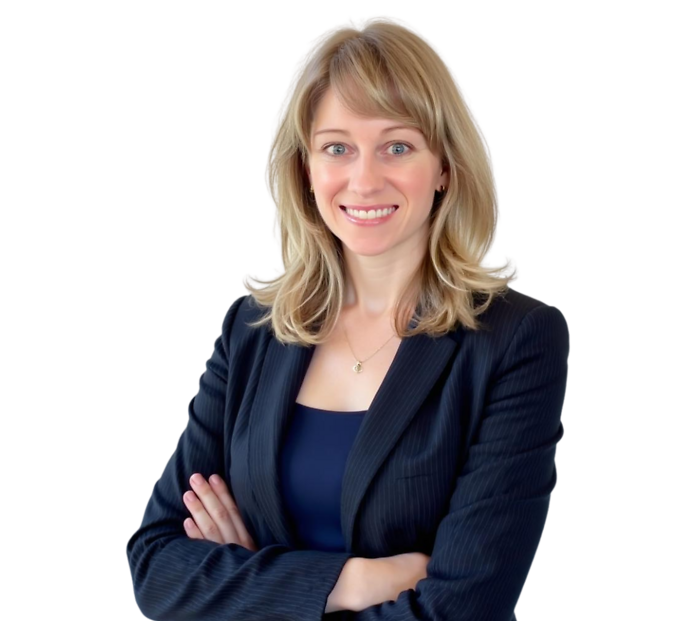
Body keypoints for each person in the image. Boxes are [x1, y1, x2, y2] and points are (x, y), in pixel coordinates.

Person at [123, 14, 571, 621]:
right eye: (337, 147)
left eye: (397, 146)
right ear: (305, 170)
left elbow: (466, 610)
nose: (364, 179)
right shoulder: (253, 329)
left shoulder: (517, 339)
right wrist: (355, 581)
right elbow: (154, 568)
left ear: (444, 166)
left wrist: (252, 585)